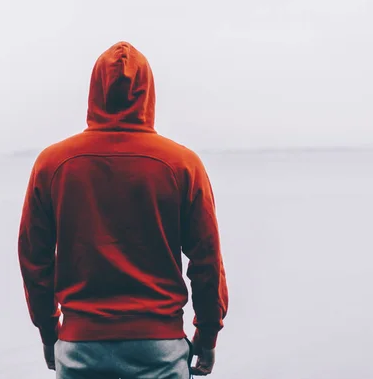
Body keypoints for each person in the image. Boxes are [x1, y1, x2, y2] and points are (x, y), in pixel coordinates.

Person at [18, 41, 228, 378]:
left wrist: (48, 332)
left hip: (80, 348)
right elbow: (207, 261)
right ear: (148, 93)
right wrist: (207, 336)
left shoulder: (54, 164)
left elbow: (35, 260)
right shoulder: (182, 165)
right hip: (160, 347)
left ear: (94, 90)